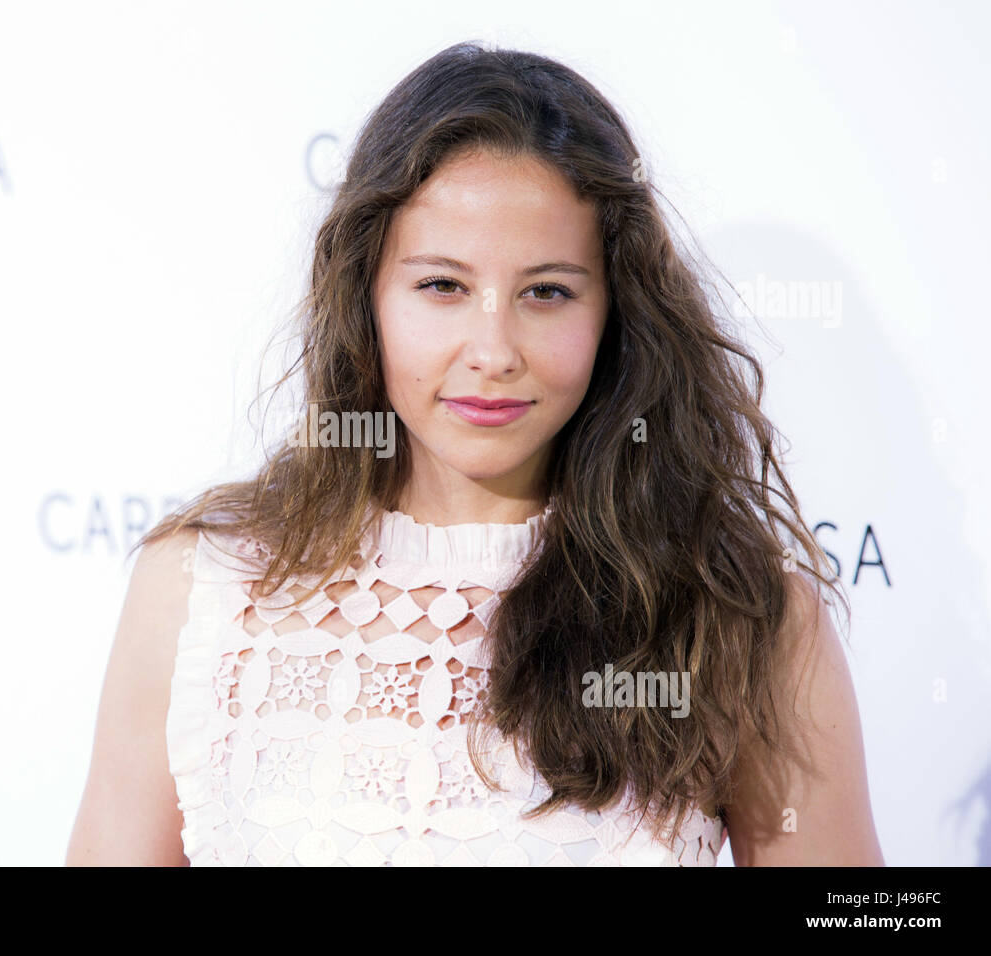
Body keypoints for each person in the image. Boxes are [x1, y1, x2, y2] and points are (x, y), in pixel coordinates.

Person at [65, 41, 884, 866]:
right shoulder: (202, 589)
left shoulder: (738, 620)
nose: (492, 351)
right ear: (366, 296)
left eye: (547, 292)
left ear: (615, 313)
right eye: (443, 286)